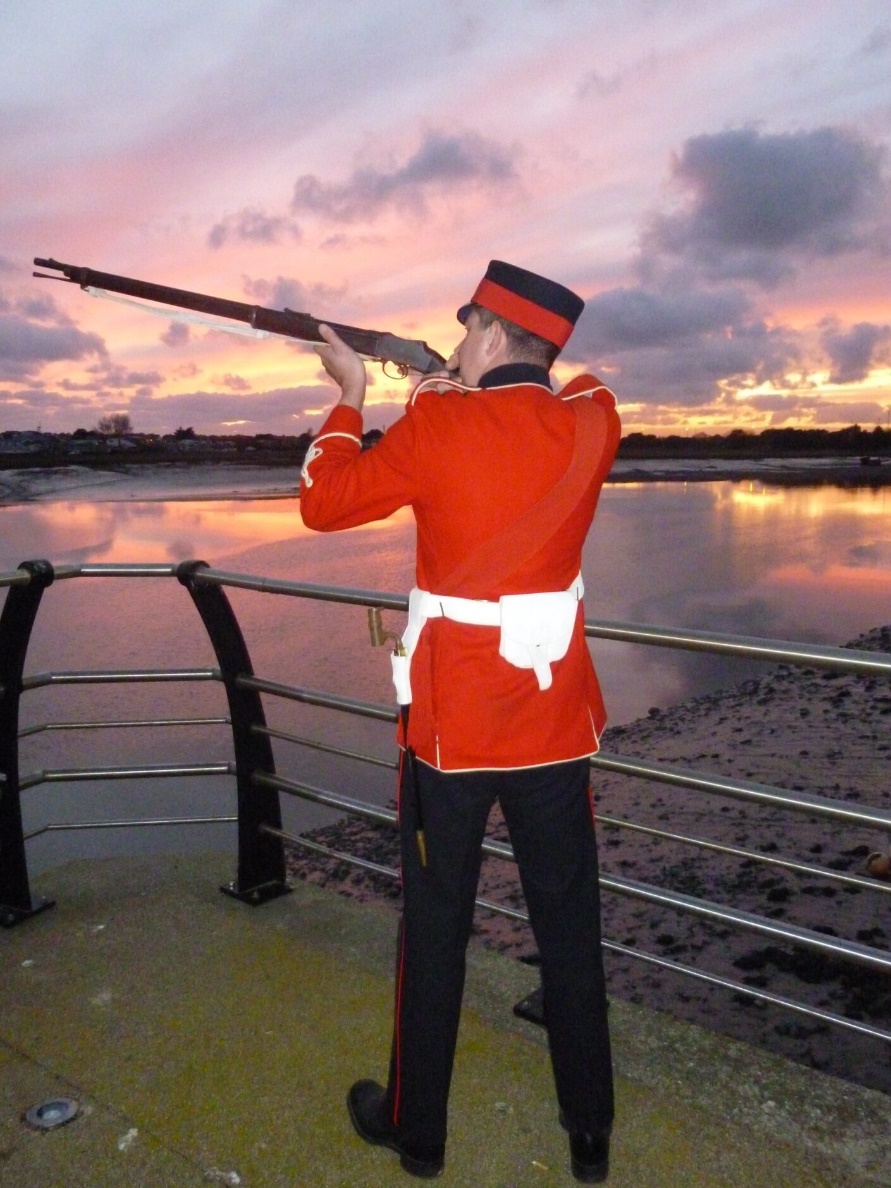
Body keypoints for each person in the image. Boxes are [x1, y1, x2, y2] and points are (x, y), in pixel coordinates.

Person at [300, 260, 621, 1183]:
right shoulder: (590, 424)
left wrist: (356, 392)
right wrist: (452, 373)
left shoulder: (435, 426)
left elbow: (325, 501)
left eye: (466, 325)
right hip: (556, 730)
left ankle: (419, 1131)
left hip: (451, 739)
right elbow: (575, 386)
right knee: (570, 927)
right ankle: (588, 1133)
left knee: (435, 928)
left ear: (483, 331)